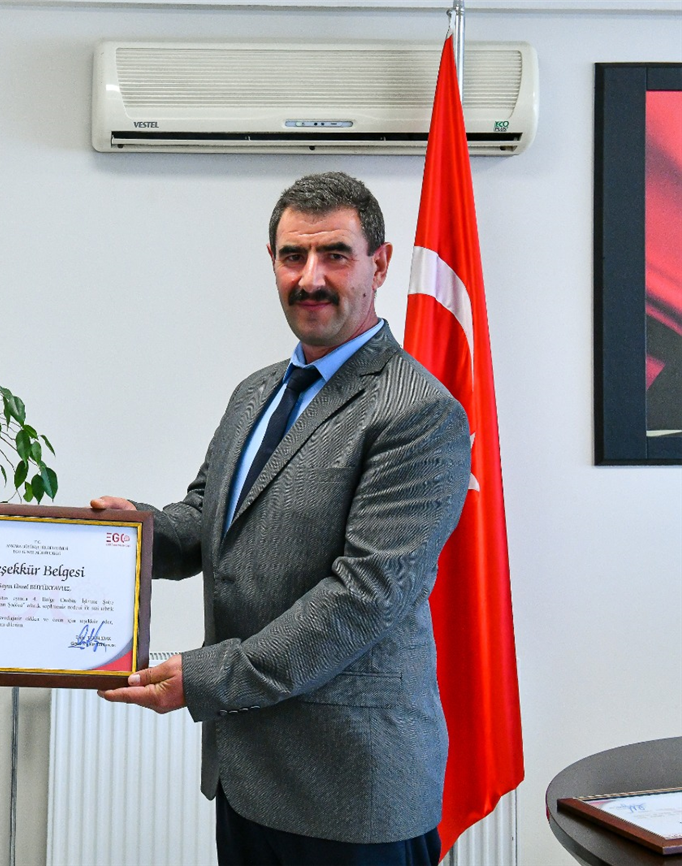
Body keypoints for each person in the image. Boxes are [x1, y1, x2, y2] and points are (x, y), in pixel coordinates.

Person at [93, 172, 471, 866]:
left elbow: (363, 597)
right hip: (249, 778)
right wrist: (126, 536)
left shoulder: (417, 413)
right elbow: (208, 520)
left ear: (380, 263)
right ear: (272, 261)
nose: (310, 278)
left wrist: (207, 677)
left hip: (352, 792)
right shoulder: (257, 392)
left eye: (335, 255)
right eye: (293, 256)